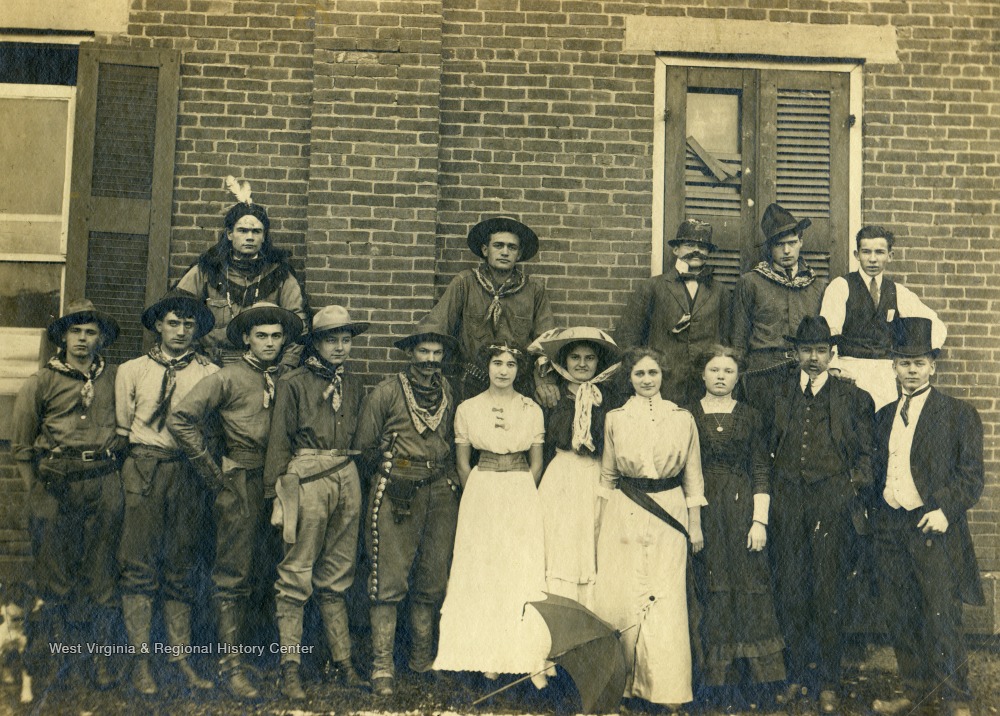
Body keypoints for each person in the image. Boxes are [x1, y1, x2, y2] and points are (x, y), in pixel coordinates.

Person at [168, 302, 303, 700]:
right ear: (246, 338)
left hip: (280, 482)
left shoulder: (287, 379)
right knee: (234, 573)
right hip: (241, 481)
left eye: (276, 336)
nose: (269, 343)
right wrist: (212, 473)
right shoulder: (226, 377)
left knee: (269, 569)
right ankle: (231, 666)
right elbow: (180, 419)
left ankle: (256, 657)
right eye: (261, 336)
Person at [869, 318, 983, 716]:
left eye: (919, 362)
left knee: (941, 614)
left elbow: (971, 476)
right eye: (904, 362)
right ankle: (914, 691)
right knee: (900, 614)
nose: (912, 370)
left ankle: (955, 698)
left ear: (933, 365)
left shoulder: (957, 413)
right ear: (893, 366)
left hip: (932, 525)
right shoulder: (883, 415)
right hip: (890, 526)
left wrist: (944, 511)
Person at [763, 316, 874, 714]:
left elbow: (868, 455)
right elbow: (765, 446)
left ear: (832, 353)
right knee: (790, 588)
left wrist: (850, 487)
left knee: (829, 591)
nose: (813, 358)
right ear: (794, 353)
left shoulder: (853, 397)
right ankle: (795, 675)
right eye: (806, 350)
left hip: (833, 503)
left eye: (821, 351)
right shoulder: (777, 394)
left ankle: (828, 680)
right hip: (788, 502)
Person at [11, 300, 124, 690]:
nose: (82, 339)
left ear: (101, 339)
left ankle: (100, 659)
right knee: (55, 576)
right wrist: (37, 494)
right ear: (62, 337)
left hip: (104, 478)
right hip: (55, 483)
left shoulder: (116, 378)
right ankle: (60, 660)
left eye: (90, 332)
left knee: (102, 574)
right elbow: (22, 447)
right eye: (75, 331)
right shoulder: (41, 382)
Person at [115, 289, 219, 695]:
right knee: (138, 563)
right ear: (158, 325)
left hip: (187, 472)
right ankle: (140, 662)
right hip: (143, 468)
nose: (180, 331)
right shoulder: (132, 370)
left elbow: (209, 429)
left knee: (181, 564)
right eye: (173, 323)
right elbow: (124, 428)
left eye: (188, 324)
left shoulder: (209, 374)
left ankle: (179, 659)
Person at [263, 304, 369, 700]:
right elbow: (279, 440)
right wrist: (277, 494)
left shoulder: (354, 383)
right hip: (307, 475)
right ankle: (290, 667)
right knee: (296, 572)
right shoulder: (293, 382)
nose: (340, 347)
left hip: (346, 473)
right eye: (331, 340)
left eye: (346, 339)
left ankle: (343, 661)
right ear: (316, 344)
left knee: (337, 574)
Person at [352, 321, 462, 697]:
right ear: (410, 353)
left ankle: (421, 661)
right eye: (423, 351)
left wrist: (448, 478)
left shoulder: (448, 391)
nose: (430, 359)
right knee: (388, 579)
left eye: (437, 353)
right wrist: (393, 471)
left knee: (432, 579)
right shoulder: (387, 392)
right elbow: (365, 447)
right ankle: (382, 666)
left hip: (439, 490)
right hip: (398, 487)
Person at [592, 347, 706, 708]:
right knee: (625, 596)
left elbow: (693, 478)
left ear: (663, 376)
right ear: (629, 378)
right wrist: (599, 525)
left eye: (652, 373)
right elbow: (608, 476)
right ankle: (624, 686)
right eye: (639, 373)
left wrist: (695, 526)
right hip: (625, 510)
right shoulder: (615, 418)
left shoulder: (682, 418)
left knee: (665, 596)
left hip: (669, 509)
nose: (646, 380)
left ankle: (665, 689)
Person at [434, 344, 551, 686]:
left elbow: (537, 463)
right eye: (497, 363)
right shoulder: (468, 408)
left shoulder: (531, 409)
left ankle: (518, 655)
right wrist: (479, 494)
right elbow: (462, 463)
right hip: (481, 489)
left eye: (511, 364)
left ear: (518, 370)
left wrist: (519, 493)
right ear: (486, 367)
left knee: (516, 566)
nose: (503, 370)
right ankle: (480, 656)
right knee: (481, 568)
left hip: (519, 489)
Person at [687, 345, 785, 704]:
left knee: (748, 581)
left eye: (728, 371)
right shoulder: (687, 415)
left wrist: (759, 520)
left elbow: (760, 468)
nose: (720, 377)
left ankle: (758, 681)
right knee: (710, 583)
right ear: (702, 374)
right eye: (714, 370)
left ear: (737, 376)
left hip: (741, 508)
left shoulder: (750, 416)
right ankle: (715, 681)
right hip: (703, 509)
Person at [176, 176, 309, 368]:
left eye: (256, 232)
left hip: (265, 366)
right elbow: (178, 312)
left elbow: (299, 324)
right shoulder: (207, 270)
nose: (249, 237)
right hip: (212, 364)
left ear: (264, 237)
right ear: (230, 234)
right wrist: (191, 352)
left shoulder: (280, 275)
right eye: (243, 231)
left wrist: (287, 365)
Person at [529, 326, 620, 609]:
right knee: (560, 540)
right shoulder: (552, 396)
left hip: (596, 474)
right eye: (575, 357)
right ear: (564, 361)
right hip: (561, 476)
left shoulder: (607, 399)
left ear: (598, 362)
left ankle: (591, 611)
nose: (582, 364)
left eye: (589, 358)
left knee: (593, 538)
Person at [423, 216, 557, 405]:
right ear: (485, 250)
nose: (505, 252)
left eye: (512, 247)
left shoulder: (533, 289)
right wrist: (429, 371)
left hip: (517, 382)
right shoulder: (465, 283)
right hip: (471, 382)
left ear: (519, 254)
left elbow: (545, 341)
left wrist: (544, 381)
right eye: (498, 246)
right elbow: (436, 328)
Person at [820, 225, 947, 409]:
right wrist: (834, 367)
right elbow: (828, 330)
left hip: (884, 375)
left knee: (884, 423)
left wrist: (918, 358)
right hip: (849, 371)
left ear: (890, 255)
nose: (872, 259)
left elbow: (936, 326)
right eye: (866, 252)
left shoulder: (897, 291)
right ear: (857, 255)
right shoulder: (841, 286)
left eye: (879, 252)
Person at [615, 219, 731, 404]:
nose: (696, 250)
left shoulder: (720, 291)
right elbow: (629, 335)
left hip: (704, 386)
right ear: (676, 249)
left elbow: (726, 338)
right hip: (663, 383)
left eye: (702, 247)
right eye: (689, 245)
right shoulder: (652, 287)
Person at [731, 204, 827, 412]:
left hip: (805, 374)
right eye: (779, 244)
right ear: (769, 247)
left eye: (792, 242)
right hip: (761, 375)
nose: (786, 251)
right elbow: (738, 338)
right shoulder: (750, 283)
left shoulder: (818, 286)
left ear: (801, 241)